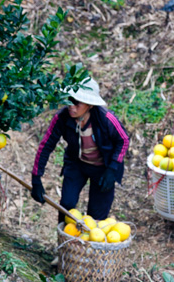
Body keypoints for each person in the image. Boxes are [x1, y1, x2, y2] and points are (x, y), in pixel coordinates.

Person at [30, 76, 130, 225]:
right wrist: (36, 178)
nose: (71, 106)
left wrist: (112, 169)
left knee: (97, 217)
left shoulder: (106, 119)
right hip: (77, 164)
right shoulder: (62, 118)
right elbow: (46, 145)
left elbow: (124, 140)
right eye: (69, 100)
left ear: (89, 105)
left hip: (103, 168)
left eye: (76, 103)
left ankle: (89, 247)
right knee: (67, 206)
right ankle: (64, 244)